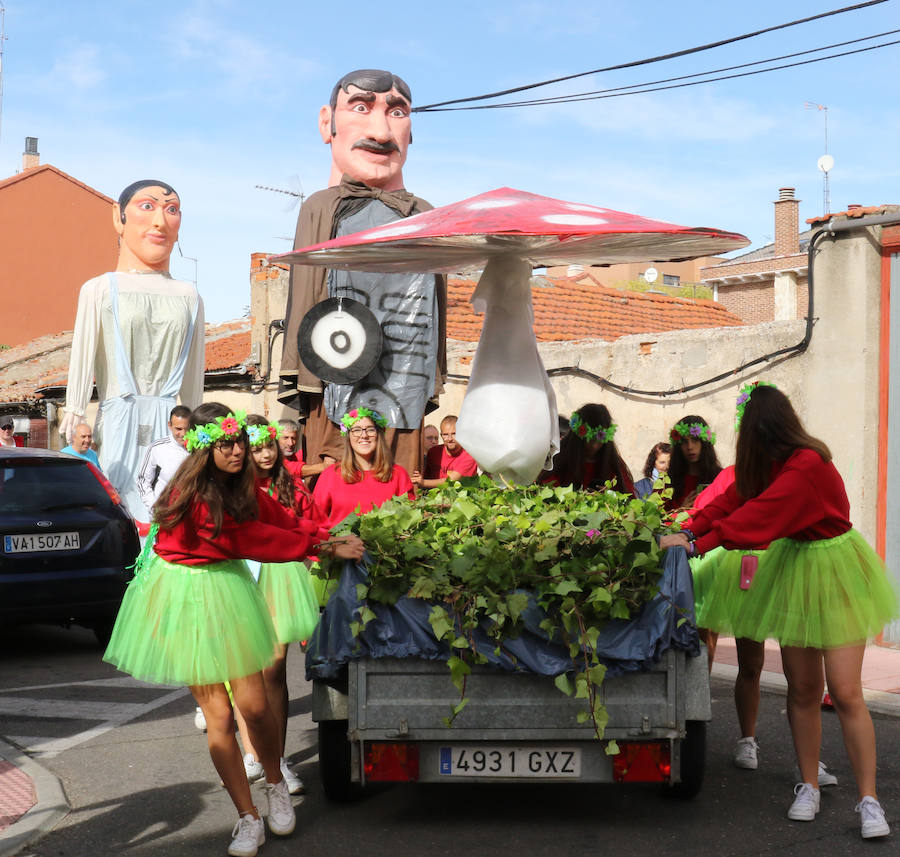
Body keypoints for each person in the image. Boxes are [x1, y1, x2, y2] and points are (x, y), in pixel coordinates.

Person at [103, 403, 364, 856]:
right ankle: (247, 817)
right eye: (226, 443)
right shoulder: (193, 496)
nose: (237, 450)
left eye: (240, 440)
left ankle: (275, 781)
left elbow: (277, 520)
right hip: (182, 594)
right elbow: (248, 540)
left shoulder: (242, 487)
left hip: (227, 587)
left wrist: (329, 533)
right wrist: (323, 546)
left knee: (256, 707)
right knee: (220, 718)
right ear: (205, 449)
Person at [661, 382, 898, 838]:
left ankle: (870, 800)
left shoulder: (808, 465)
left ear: (763, 428)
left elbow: (760, 515)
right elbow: (732, 500)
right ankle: (807, 784)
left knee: (846, 693)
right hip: (797, 570)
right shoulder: (773, 464)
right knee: (803, 690)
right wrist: (690, 528)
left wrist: (695, 542)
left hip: (837, 568)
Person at [278, 69, 447, 479]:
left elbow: (435, 308)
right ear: (326, 123)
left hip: (404, 375)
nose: (381, 130)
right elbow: (307, 297)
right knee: (339, 483)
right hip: (335, 370)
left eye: (398, 112)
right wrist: (306, 368)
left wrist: (430, 372)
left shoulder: (423, 213)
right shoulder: (322, 207)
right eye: (360, 107)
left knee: (399, 484)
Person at [62, 180, 205, 523]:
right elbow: (82, 351)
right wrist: (75, 405)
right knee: (119, 505)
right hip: (118, 417)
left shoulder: (190, 295)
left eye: (171, 210)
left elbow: (194, 372)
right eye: (147, 206)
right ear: (119, 216)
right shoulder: (99, 289)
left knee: (171, 504)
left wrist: (199, 423)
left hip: (171, 420)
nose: (160, 221)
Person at [231, 415, 323, 796]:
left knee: (275, 670)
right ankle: (253, 753)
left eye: (270, 445)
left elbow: (311, 525)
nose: (266, 454)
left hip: (281, 582)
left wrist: (308, 557)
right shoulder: (234, 491)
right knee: (244, 668)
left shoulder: (292, 486)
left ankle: (278, 758)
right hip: (241, 581)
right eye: (258, 448)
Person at [312, 406, 415, 530]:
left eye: (370, 430)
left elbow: (409, 519)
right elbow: (315, 521)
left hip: (384, 547)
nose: (364, 435)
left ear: (379, 435)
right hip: (342, 546)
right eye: (357, 430)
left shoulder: (398, 475)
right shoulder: (331, 475)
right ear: (348, 437)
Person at [539, 404, 634, 494]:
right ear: (578, 436)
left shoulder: (613, 464)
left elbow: (628, 498)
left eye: (599, 440)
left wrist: (608, 495)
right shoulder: (558, 457)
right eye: (590, 440)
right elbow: (546, 487)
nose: (594, 446)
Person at [137, 405, 191, 510]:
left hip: (190, 513)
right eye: (178, 429)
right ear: (169, 425)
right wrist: (154, 507)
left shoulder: (199, 447)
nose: (183, 434)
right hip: (163, 514)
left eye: (187, 429)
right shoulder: (157, 448)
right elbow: (142, 481)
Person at [666, 415, 721, 511]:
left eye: (695, 440)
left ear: (704, 443)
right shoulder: (667, 481)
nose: (690, 446)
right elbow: (657, 520)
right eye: (684, 441)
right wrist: (680, 511)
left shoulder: (720, 478)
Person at [416, 415, 478, 489]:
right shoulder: (433, 452)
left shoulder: (469, 455)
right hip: (432, 497)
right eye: (445, 434)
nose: (450, 438)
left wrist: (422, 482)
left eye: (454, 434)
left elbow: (451, 481)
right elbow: (426, 476)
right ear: (441, 435)